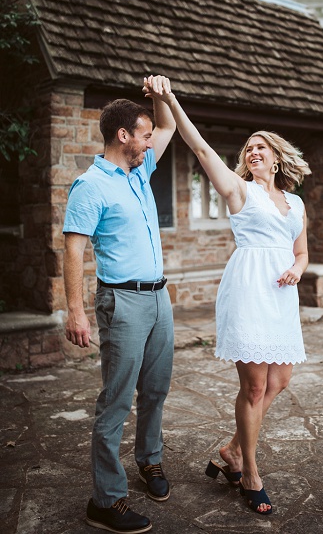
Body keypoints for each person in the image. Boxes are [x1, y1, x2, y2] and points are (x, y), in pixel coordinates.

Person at [142, 75, 309, 515]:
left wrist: (296, 268)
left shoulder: (297, 204)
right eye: (247, 149)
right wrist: (171, 100)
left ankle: (233, 448)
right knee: (254, 387)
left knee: (280, 380)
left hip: (281, 295)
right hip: (250, 288)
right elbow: (198, 147)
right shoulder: (240, 191)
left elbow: (303, 252)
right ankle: (250, 472)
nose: (252, 152)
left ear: (276, 158)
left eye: (261, 148)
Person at [63, 95, 176, 533]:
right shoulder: (91, 185)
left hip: (158, 299)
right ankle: (106, 501)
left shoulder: (140, 171)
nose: (151, 143)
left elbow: (166, 128)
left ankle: (149, 462)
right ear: (123, 135)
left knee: (156, 389)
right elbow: (73, 247)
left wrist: (161, 97)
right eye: (142, 136)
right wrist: (75, 312)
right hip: (122, 302)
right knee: (116, 400)